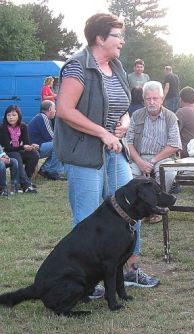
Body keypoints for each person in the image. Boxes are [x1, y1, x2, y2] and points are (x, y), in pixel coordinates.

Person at [54, 13, 159, 295]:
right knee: (87, 219)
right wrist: (102, 133)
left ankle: (131, 269)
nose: (122, 41)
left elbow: (124, 109)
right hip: (84, 154)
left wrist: (123, 126)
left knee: (131, 208)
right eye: (117, 35)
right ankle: (87, 281)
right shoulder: (77, 67)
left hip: (115, 152)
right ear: (100, 38)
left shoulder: (117, 66)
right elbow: (64, 110)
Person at [127, 80, 181, 198]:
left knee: (167, 173)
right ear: (144, 100)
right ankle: (137, 208)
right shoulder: (136, 115)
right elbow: (128, 143)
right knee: (127, 174)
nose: (152, 102)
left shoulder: (170, 117)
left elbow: (174, 145)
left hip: (163, 158)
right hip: (139, 157)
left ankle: (158, 205)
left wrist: (152, 161)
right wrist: (140, 162)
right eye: (148, 99)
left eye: (155, 98)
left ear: (162, 99)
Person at [0, 105, 38, 193]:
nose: (11, 117)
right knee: (16, 155)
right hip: (6, 153)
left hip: (17, 151)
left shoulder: (23, 126)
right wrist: (22, 147)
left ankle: (25, 180)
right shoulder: (3, 128)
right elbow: (7, 148)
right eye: (8, 115)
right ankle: (26, 185)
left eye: (14, 115)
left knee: (34, 154)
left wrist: (32, 146)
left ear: (18, 116)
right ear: (6, 117)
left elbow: (26, 143)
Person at [28, 100, 65, 180]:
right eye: (55, 108)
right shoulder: (43, 117)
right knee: (59, 145)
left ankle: (45, 170)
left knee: (60, 145)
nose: (55, 111)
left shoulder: (40, 117)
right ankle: (52, 172)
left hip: (36, 146)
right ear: (50, 109)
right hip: (35, 148)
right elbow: (52, 138)